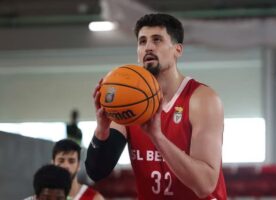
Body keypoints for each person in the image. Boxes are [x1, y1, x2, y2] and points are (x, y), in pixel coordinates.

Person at [85, 13, 227, 200]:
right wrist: (101, 131)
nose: (148, 47)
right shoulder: (128, 101)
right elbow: (96, 172)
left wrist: (157, 137)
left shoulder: (202, 99)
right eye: (142, 42)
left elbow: (205, 185)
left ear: (178, 50)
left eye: (157, 40)